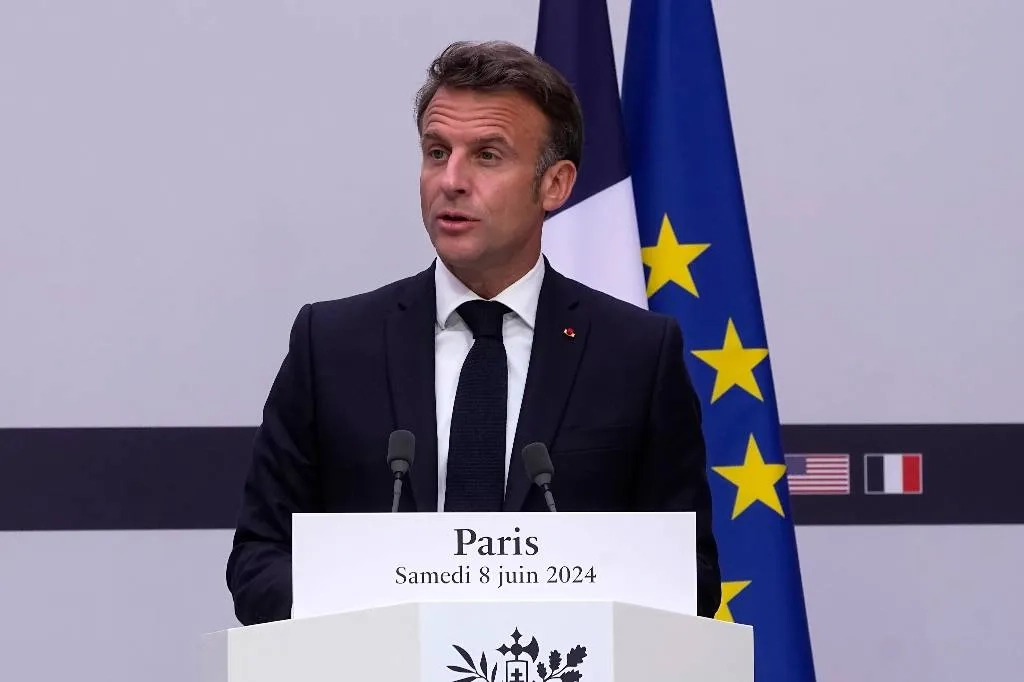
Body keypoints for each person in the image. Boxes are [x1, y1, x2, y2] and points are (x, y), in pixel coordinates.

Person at [226, 40, 721, 625]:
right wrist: (369, 624)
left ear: (555, 184)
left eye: (487, 155)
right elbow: (260, 556)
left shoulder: (636, 355)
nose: (451, 180)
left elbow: (688, 577)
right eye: (437, 152)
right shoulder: (331, 345)